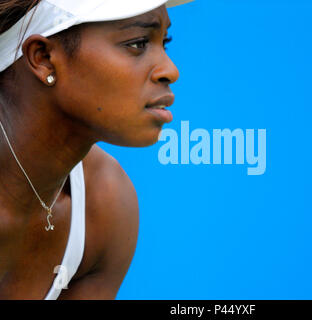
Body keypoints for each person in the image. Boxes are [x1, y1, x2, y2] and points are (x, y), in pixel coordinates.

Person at [0, 0, 189, 299]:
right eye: (138, 43)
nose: (170, 70)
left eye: (164, 42)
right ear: (44, 58)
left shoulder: (105, 203)